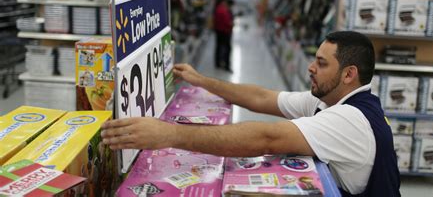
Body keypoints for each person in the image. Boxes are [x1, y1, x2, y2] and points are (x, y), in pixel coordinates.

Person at [101, 31, 400, 197]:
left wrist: (169, 134)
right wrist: (203, 80)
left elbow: (267, 138)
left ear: (349, 74)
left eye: (322, 64)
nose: (311, 67)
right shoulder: (331, 100)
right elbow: (262, 98)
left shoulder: (349, 120)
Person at [213, 0, 234, 71]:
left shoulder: (217, 9)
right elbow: (227, 22)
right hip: (225, 31)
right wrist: (231, 24)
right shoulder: (223, 10)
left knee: (218, 47)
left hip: (218, 30)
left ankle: (218, 63)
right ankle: (226, 65)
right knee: (227, 48)